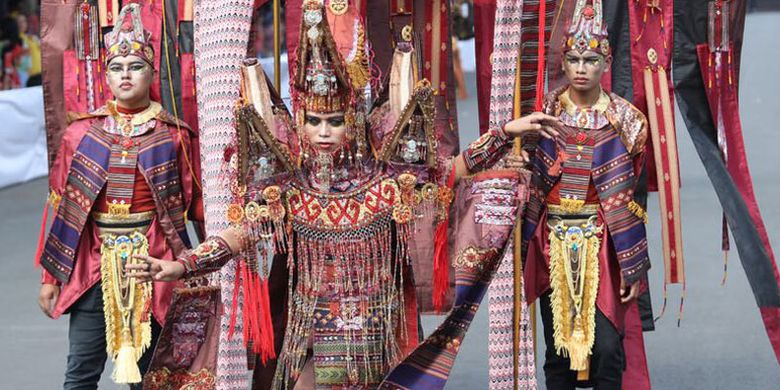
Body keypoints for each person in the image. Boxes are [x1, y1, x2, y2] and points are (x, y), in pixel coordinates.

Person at [129, 1, 550, 388]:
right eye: (314, 121)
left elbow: (447, 175)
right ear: (300, 123)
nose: (324, 132)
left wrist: (503, 134)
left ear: (351, 118)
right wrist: (180, 266)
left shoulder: (385, 182)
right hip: (311, 340)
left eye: (334, 120)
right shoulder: (290, 188)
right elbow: (241, 235)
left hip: (377, 342)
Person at [36, 4, 202, 388]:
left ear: (151, 72)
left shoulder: (173, 135)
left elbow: (196, 207)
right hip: (94, 264)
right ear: (106, 75)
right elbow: (62, 212)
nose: (126, 75)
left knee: (151, 377)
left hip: (153, 263)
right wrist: (50, 277)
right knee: (80, 371)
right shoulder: (81, 135)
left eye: (136, 66)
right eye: (117, 67)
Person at [506, 3, 651, 389]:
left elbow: (630, 199)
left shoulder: (629, 120)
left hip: (602, 244)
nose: (581, 68)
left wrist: (633, 265)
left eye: (590, 59)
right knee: (558, 354)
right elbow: (529, 179)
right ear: (565, 62)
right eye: (573, 59)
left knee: (607, 349)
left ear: (606, 61)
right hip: (551, 241)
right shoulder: (546, 113)